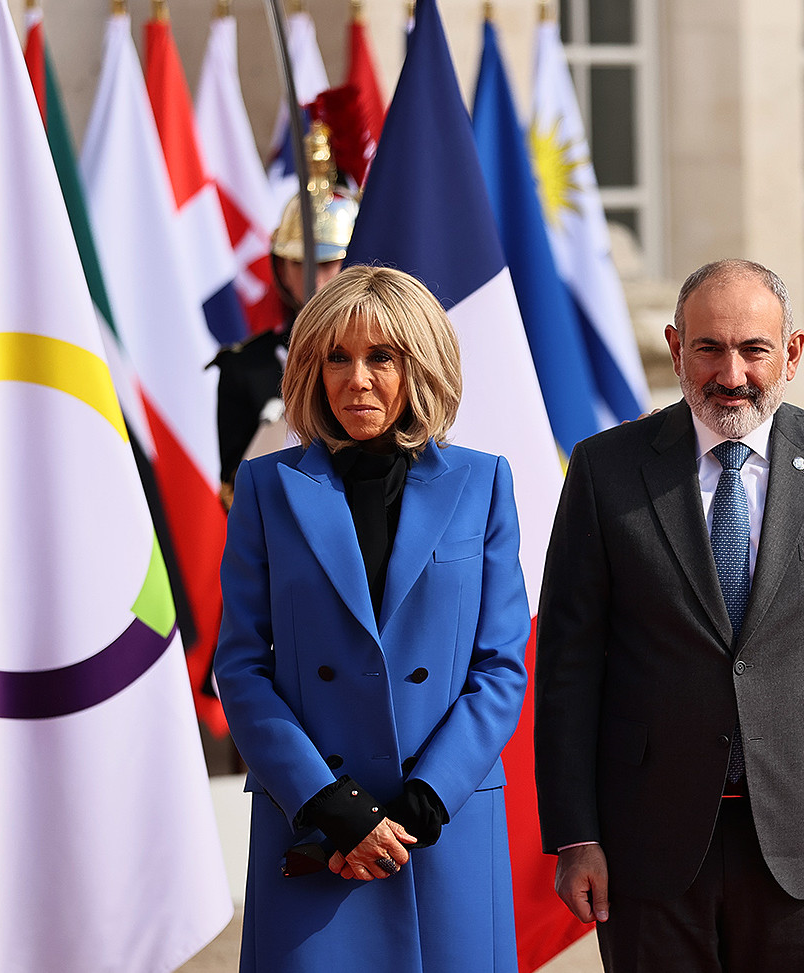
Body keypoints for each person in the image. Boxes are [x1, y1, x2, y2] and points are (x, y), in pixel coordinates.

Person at [534, 258, 804, 973]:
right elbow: (567, 667)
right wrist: (573, 833)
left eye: (754, 349)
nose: (732, 372)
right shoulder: (605, 469)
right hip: (646, 846)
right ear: (676, 348)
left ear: (793, 354)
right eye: (709, 347)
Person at [214, 266, 529, 972]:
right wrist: (333, 804)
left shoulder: (484, 483)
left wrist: (424, 800)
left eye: (380, 356)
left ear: (418, 365)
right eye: (338, 357)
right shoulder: (266, 488)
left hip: (440, 828)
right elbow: (240, 666)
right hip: (317, 829)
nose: (357, 378)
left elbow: (501, 663)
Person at [211, 120, 357, 498]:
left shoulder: (391, 358)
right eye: (301, 263)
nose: (316, 279)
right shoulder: (245, 366)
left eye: (329, 263)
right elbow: (233, 491)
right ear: (281, 270)